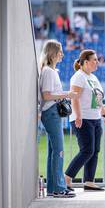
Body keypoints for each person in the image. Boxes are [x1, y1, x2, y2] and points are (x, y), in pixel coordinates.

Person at [65, 49, 105, 192]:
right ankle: (66, 179)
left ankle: (89, 182)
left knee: (94, 150)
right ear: (85, 62)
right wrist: (78, 116)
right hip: (83, 118)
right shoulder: (79, 76)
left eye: (97, 59)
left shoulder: (93, 77)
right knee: (87, 150)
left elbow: (97, 98)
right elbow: (74, 97)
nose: (97, 62)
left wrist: (104, 113)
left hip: (95, 119)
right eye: (94, 60)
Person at [39, 39, 77, 198]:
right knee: (59, 151)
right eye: (60, 51)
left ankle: (54, 187)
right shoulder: (48, 71)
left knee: (53, 152)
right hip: (51, 113)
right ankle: (59, 188)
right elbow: (46, 95)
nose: (62, 54)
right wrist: (67, 94)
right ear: (53, 53)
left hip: (52, 112)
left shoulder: (51, 71)